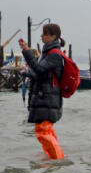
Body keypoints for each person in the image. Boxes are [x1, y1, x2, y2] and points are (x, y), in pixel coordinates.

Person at [19, 23, 66, 160]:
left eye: (44, 34)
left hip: (48, 99)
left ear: (53, 36)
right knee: (46, 131)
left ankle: (57, 160)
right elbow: (40, 74)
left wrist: (27, 51)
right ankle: (51, 158)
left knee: (43, 131)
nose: (41, 36)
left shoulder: (55, 55)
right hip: (45, 98)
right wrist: (27, 74)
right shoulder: (47, 53)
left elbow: (39, 69)